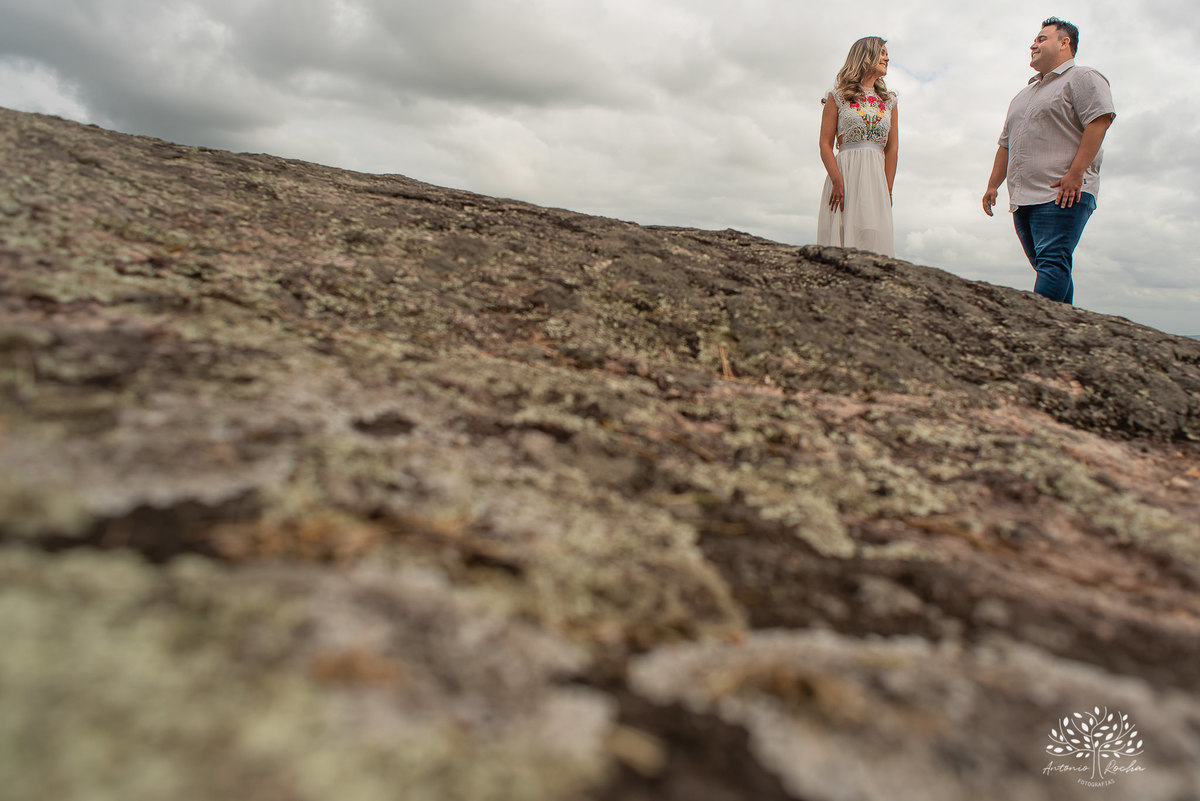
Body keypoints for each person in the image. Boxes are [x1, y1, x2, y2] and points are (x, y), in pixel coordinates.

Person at [982, 17, 1115, 304]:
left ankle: (1031, 335)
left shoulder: (1083, 78)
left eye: (1042, 38)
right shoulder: (1022, 96)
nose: (1034, 44)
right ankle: (1064, 333)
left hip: (1063, 191)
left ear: (1064, 43)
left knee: (1052, 263)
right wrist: (993, 185)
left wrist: (1075, 174)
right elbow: (1005, 144)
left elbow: (1099, 121)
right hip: (1023, 197)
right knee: (1050, 267)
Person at [817, 36, 899, 257]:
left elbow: (891, 149)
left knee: (873, 236)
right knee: (842, 236)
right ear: (865, 55)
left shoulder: (889, 101)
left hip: (876, 179)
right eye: (882, 52)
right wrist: (836, 180)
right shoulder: (838, 97)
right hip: (844, 175)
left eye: (886, 53)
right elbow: (825, 144)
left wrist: (887, 190)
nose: (887, 57)